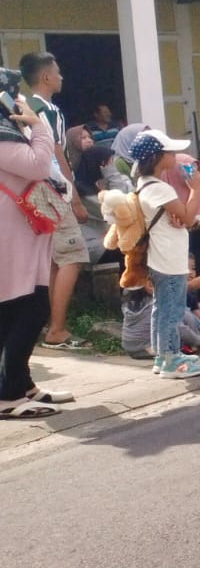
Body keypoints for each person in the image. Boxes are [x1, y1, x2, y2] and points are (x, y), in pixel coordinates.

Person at [0, 91, 71, 417]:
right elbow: (40, 164)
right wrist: (39, 125)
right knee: (29, 311)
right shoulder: (3, 142)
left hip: (20, 238)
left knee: (13, 313)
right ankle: (10, 395)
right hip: (13, 241)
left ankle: (22, 385)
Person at [21, 52, 92, 351]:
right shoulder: (48, 111)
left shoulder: (20, 106)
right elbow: (57, 155)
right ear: (46, 76)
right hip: (53, 190)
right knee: (74, 256)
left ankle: (48, 324)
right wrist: (74, 197)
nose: (62, 77)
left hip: (30, 189)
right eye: (58, 72)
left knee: (53, 261)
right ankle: (57, 330)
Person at [129, 130, 200, 379]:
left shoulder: (145, 185)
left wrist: (183, 213)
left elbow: (179, 217)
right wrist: (196, 188)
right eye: (171, 152)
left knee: (161, 308)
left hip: (160, 256)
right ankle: (171, 359)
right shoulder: (160, 188)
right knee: (171, 311)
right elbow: (185, 218)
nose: (175, 155)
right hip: (169, 258)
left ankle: (162, 357)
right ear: (157, 157)